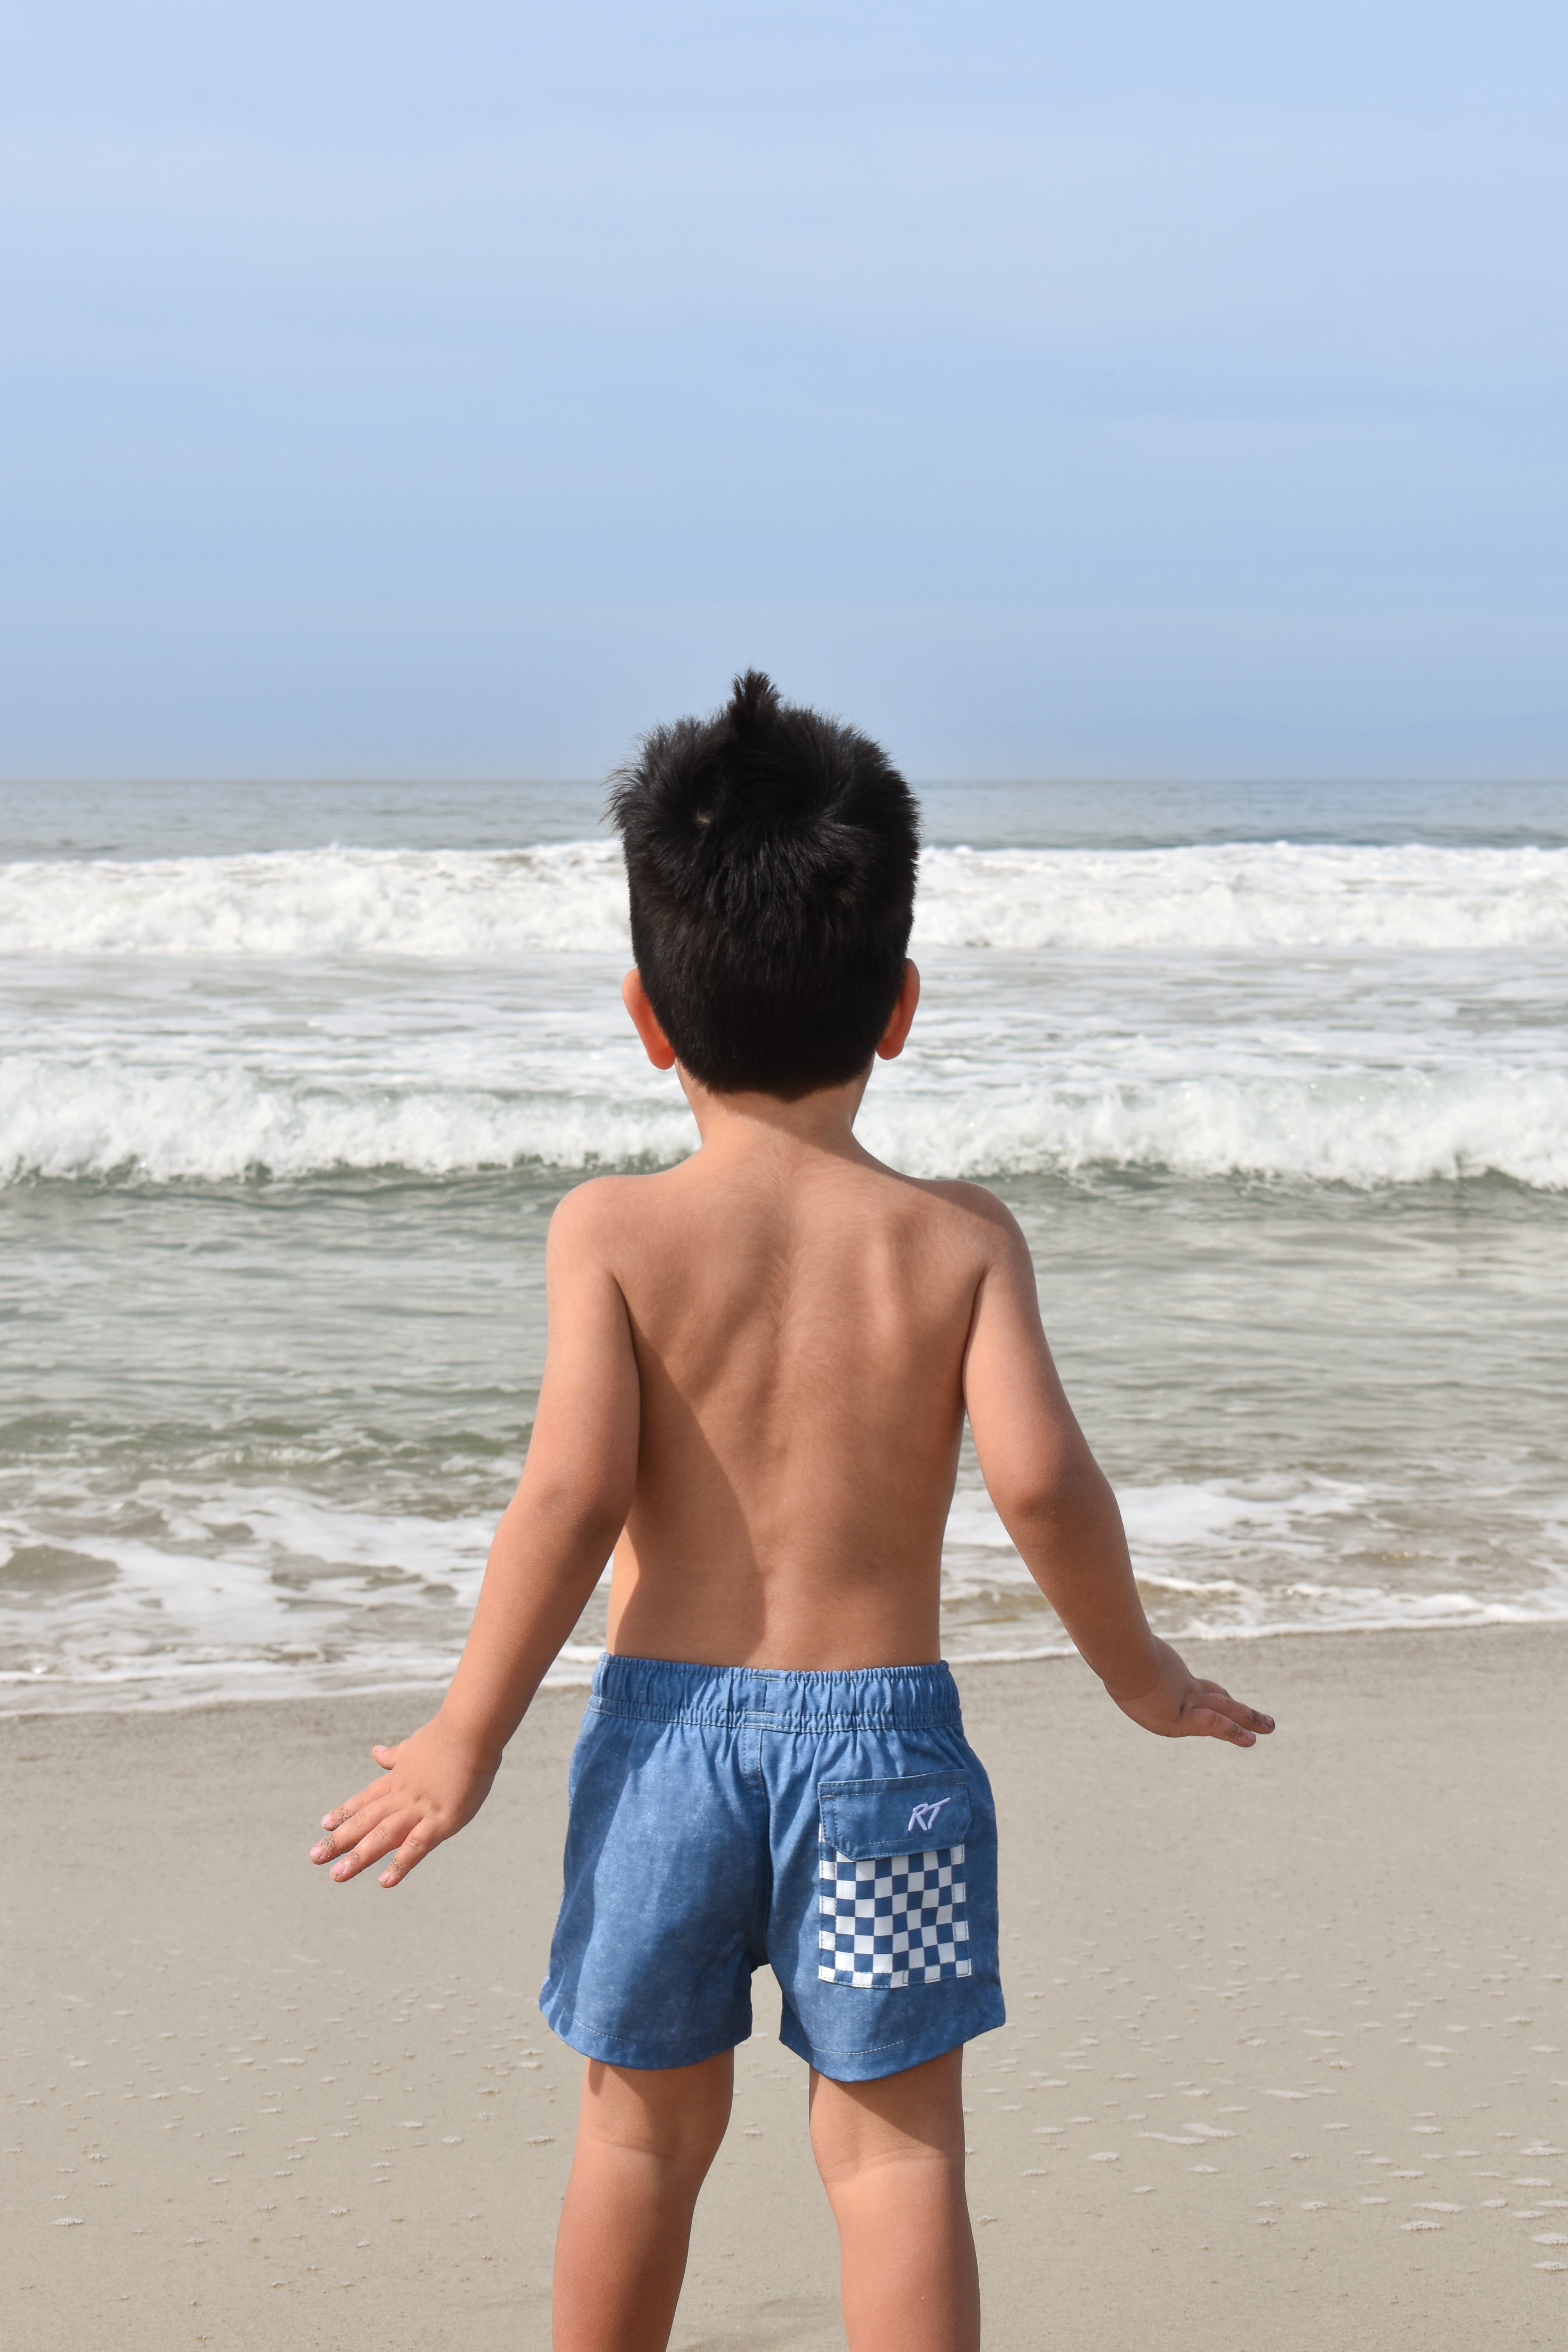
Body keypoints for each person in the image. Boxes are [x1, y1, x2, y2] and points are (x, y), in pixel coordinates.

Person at [309, 671, 1274, 2352]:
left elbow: (572, 1488)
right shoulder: (959, 1241)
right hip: (885, 1764)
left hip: (665, 1755)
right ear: (898, 1006)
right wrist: (1145, 1680)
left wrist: (468, 1735)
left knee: (640, 2133)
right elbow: (1043, 1482)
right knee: (895, 2161)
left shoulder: (612, 1231)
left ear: (644, 1013)